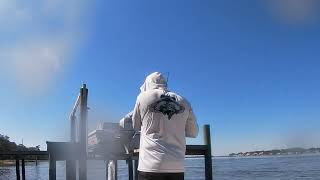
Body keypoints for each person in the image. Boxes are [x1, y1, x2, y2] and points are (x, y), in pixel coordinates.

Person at [132, 72, 199, 180]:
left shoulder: (142, 97)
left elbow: (135, 125)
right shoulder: (184, 102)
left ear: (148, 83)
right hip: (177, 166)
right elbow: (193, 132)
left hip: (150, 166)